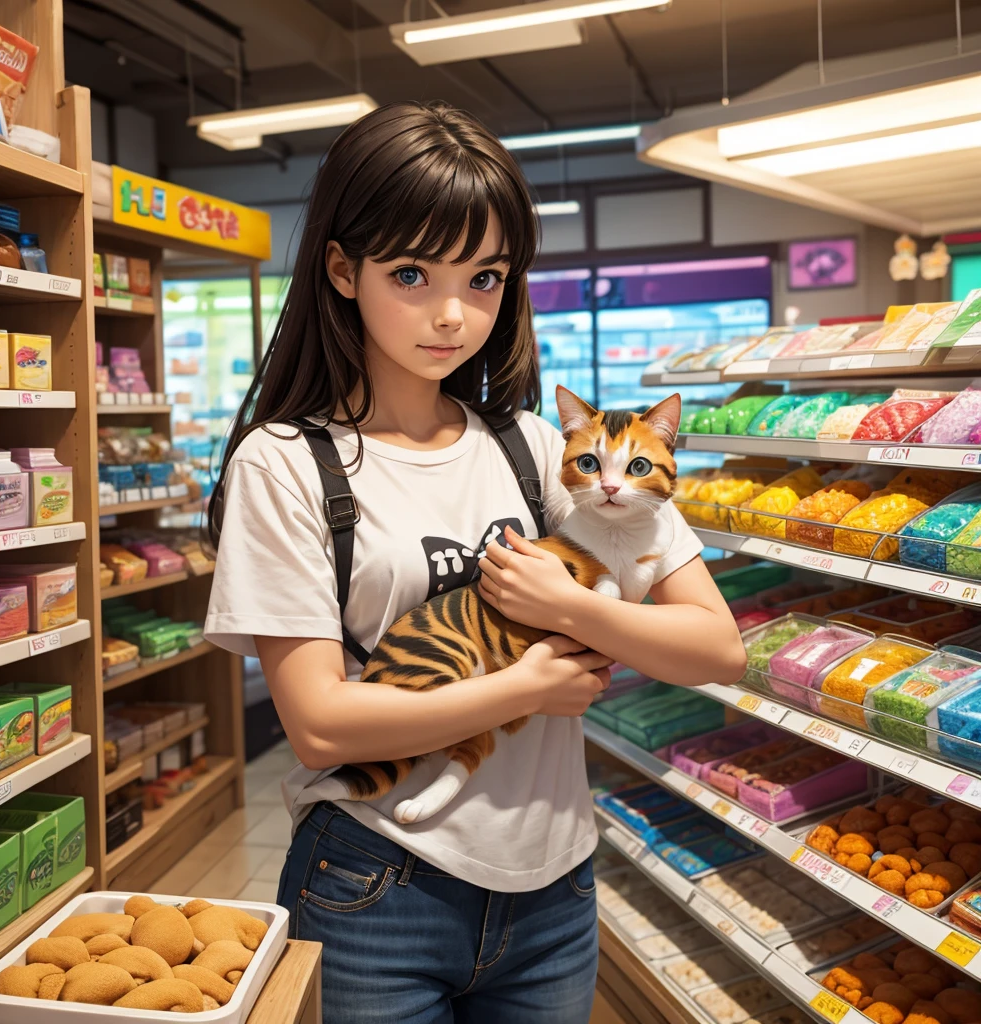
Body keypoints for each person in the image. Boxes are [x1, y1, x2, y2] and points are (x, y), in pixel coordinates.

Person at [205, 99, 747, 1024]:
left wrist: (577, 612)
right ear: (343, 268)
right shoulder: (286, 463)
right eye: (412, 273)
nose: (453, 315)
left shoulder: (539, 449)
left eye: (486, 277)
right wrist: (529, 688)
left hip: (557, 885)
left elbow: (716, 648)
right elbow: (323, 726)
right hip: (375, 883)